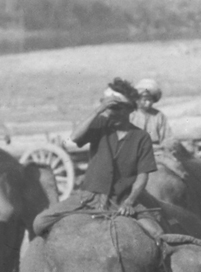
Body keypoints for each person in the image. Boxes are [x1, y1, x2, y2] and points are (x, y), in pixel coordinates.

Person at [65, 79, 158, 216]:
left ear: (130, 109)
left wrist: (129, 201)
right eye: (110, 109)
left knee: (155, 231)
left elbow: (142, 175)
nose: (113, 114)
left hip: (122, 199)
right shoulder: (100, 124)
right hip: (90, 197)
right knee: (41, 221)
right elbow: (74, 137)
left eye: (118, 109)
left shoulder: (141, 137)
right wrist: (98, 111)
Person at [130, 78, 172, 148]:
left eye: (150, 100)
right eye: (145, 100)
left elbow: (167, 138)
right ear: (137, 99)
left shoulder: (159, 116)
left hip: (155, 151)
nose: (148, 103)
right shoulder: (131, 114)